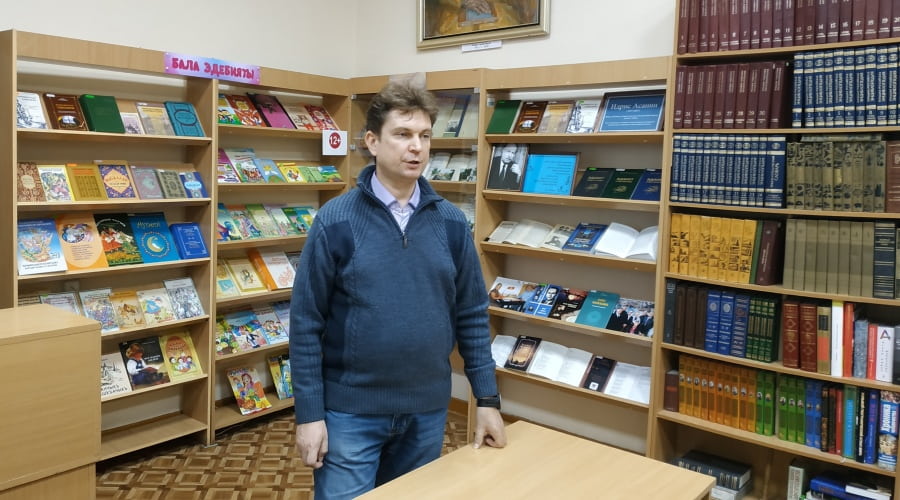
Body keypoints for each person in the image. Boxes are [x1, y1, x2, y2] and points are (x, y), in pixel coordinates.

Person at [289, 80, 506, 499]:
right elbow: (305, 323)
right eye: (403, 134)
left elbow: (472, 316)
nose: (416, 147)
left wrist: (487, 399)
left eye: (425, 135)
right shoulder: (335, 221)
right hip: (350, 413)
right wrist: (310, 415)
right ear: (372, 141)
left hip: (426, 411)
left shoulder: (451, 223)